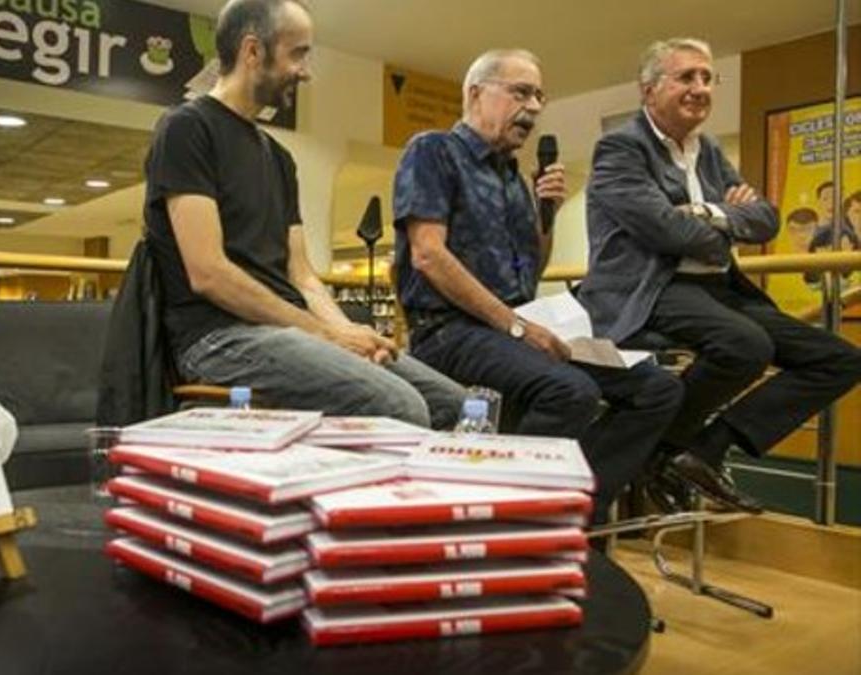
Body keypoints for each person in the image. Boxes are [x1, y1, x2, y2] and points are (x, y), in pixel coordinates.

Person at [391, 48, 688, 523]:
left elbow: (530, 269)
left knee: (657, 389)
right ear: (475, 93)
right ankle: (511, 520)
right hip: (449, 331)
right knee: (569, 392)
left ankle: (577, 510)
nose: (532, 106)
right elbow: (428, 255)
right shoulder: (433, 151)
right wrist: (515, 327)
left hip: (511, 325)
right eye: (520, 92)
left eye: (539, 96)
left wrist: (545, 215)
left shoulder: (513, 176)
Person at [143, 0, 465, 428]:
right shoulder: (186, 128)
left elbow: (303, 275)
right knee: (401, 406)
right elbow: (209, 273)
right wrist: (329, 334)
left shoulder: (279, 158)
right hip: (217, 338)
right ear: (253, 51)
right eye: (298, 53)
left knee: (456, 405)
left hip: (289, 332)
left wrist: (348, 334)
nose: (306, 70)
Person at [580, 38, 861, 511]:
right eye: (686, 77)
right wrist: (725, 227)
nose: (701, 87)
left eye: (708, 77)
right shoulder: (620, 149)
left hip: (718, 288)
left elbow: (767, 219)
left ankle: (699, 451)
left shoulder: (707, 151)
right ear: (648, 91)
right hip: (652, 288)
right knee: (745, 344)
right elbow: (666, 232)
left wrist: (705, 213)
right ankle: (661, 451)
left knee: (838, 359)